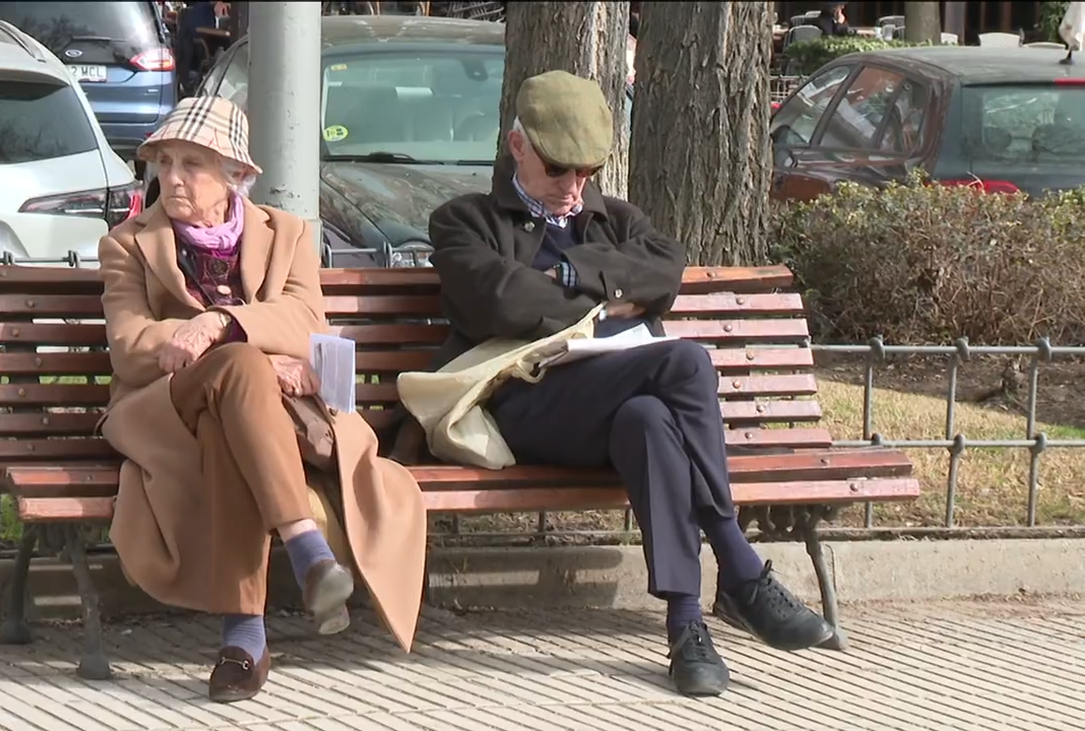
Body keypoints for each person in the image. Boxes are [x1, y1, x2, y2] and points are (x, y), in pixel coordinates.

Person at [425, 70, 834, 698]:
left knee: (647, 420)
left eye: (586, 172)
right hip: (527, 405)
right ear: (518, 148)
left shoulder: (611, 218)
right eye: (560, 169)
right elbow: (501, 302)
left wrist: (565, 272)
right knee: (687, 362)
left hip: (612, 408)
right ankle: (740, 565)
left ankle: (685, 623)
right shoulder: (463, 221)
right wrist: (611, 293)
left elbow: (664, 268)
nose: (573, 186)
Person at [97, 96, 427, 703]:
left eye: (191, 164)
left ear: (236, 177)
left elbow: (306, 319)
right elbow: (130, 344)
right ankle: (306, 550)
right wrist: (227, 342)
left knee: (235, 396)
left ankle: (244, 642)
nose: (172, 177)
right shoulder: (128, 243)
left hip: (249, 419)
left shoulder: (288, 233)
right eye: (164, 162)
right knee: (242, 365)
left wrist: (223, 323)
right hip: (167, 407)